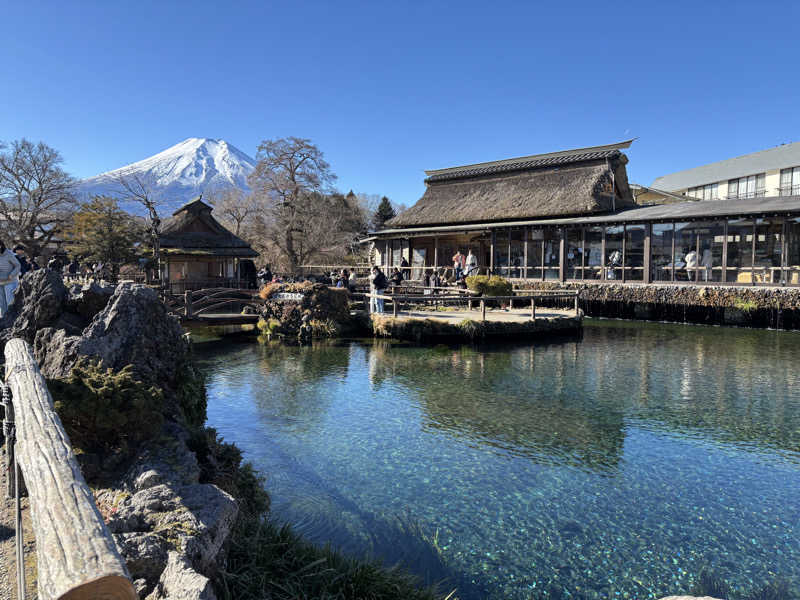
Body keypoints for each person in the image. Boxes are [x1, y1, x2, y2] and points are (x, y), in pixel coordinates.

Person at [0, 241, 21, 317]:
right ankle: (4, 322)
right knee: (2, 304)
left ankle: (13, 320)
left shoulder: (8, 254)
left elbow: (18, 265)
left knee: (10, 303)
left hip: (10, 282)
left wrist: (12, 275)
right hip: (1, 282)